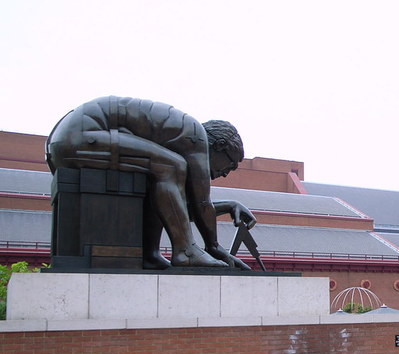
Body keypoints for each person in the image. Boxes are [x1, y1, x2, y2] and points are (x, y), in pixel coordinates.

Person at [46, 96, 256, 269]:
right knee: (171, 167)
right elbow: (202, 203)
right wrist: (214, 247)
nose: (225, 174)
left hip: (68, 142)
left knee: (161, 179)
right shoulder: (196, 136)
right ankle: (186, 251)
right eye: (228, 166)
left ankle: (149, 254)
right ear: (219, 146)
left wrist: (228, 207)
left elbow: (176, 210)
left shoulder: (180, 136)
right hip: (80, 137)